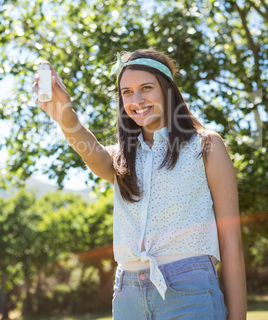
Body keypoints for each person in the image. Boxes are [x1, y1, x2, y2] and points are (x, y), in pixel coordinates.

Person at [32, 49, 247, 319]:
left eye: (146, 88)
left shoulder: (206, 146)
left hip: (190, 290)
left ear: (168, 90)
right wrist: (64, 114)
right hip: (128, 295)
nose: (137, 100)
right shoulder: (123, 157)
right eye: (127, 92)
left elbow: (231, 243)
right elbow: (90, 150)